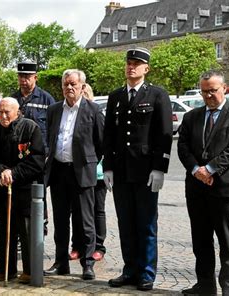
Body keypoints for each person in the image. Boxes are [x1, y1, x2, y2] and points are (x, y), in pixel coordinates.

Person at [103, 47, 173, 291]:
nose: (131, 66)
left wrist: (159, 168)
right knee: (126, 223)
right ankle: (130, 269)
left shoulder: (157, 95)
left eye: (137, 63)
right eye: (129, 62)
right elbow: (109, 134)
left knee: (146, 224)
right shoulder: (115, 97)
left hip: (145, 172)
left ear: (146, 68)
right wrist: (108, 167)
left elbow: (163, 135)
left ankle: (146, 272)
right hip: (121, 170)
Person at [178, 70, 229, 296]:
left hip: (225, 190)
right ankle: (205, 285)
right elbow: (183, 147)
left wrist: (209, 169)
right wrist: (196, 170)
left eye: (213, 90)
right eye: (204, 91)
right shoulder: (191, 117)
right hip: (197, 189)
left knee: (228, 243)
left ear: (224, 89)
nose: (209, 95)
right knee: (201, 241)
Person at [44, 69, 104, 281]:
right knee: (60, 220)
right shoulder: (53, 110)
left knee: (86, 220)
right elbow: (50, 137)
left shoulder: (93, 110)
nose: (69, 88)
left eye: (73, 84)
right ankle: (61, 262)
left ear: (82, 87)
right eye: (66, 84)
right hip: (59, 171)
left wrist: (89, 161)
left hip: (82, 171)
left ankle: (88, 263)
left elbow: (101, 143)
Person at [0, 97, 44, 284]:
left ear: (17, 111)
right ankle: (5, 270)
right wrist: (1, 171)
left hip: (25, 187)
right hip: (3, 187)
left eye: (7, 112)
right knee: (5, 230)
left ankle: (29, 270)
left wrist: (14, 173)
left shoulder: (30, 128)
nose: (3, 116)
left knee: (26, 230)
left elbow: (36, 160)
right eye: (0, 112)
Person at [11, 61, 55, 236]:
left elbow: (53, 129)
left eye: (27, 77)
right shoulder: (13, 99)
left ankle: (39, 228)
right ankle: (22, 231)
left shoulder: (46, 99)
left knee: (38, 194)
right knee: (20, 195)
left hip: (38, 159)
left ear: (35, 77)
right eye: (21, 77)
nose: (24, 80)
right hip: (19, 158)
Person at [69, 83, 107, 262]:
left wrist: (93, 162)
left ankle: (98, 245)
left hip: (96, 172)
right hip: (78, 172)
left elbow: (102, 144)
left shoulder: (95, 112)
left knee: (97, 210)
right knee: (78, 211)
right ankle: (77, 244)